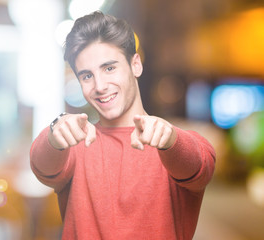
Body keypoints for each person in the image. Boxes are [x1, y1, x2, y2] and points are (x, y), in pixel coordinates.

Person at [30, 11, 215, 239]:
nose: (100, 85)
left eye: (109, 68)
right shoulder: (75, 144)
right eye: (87, 76)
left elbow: (199, 166)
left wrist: (171, 141)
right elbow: (41, 166)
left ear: (135, 65)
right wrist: (54, 137)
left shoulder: (175, 141)